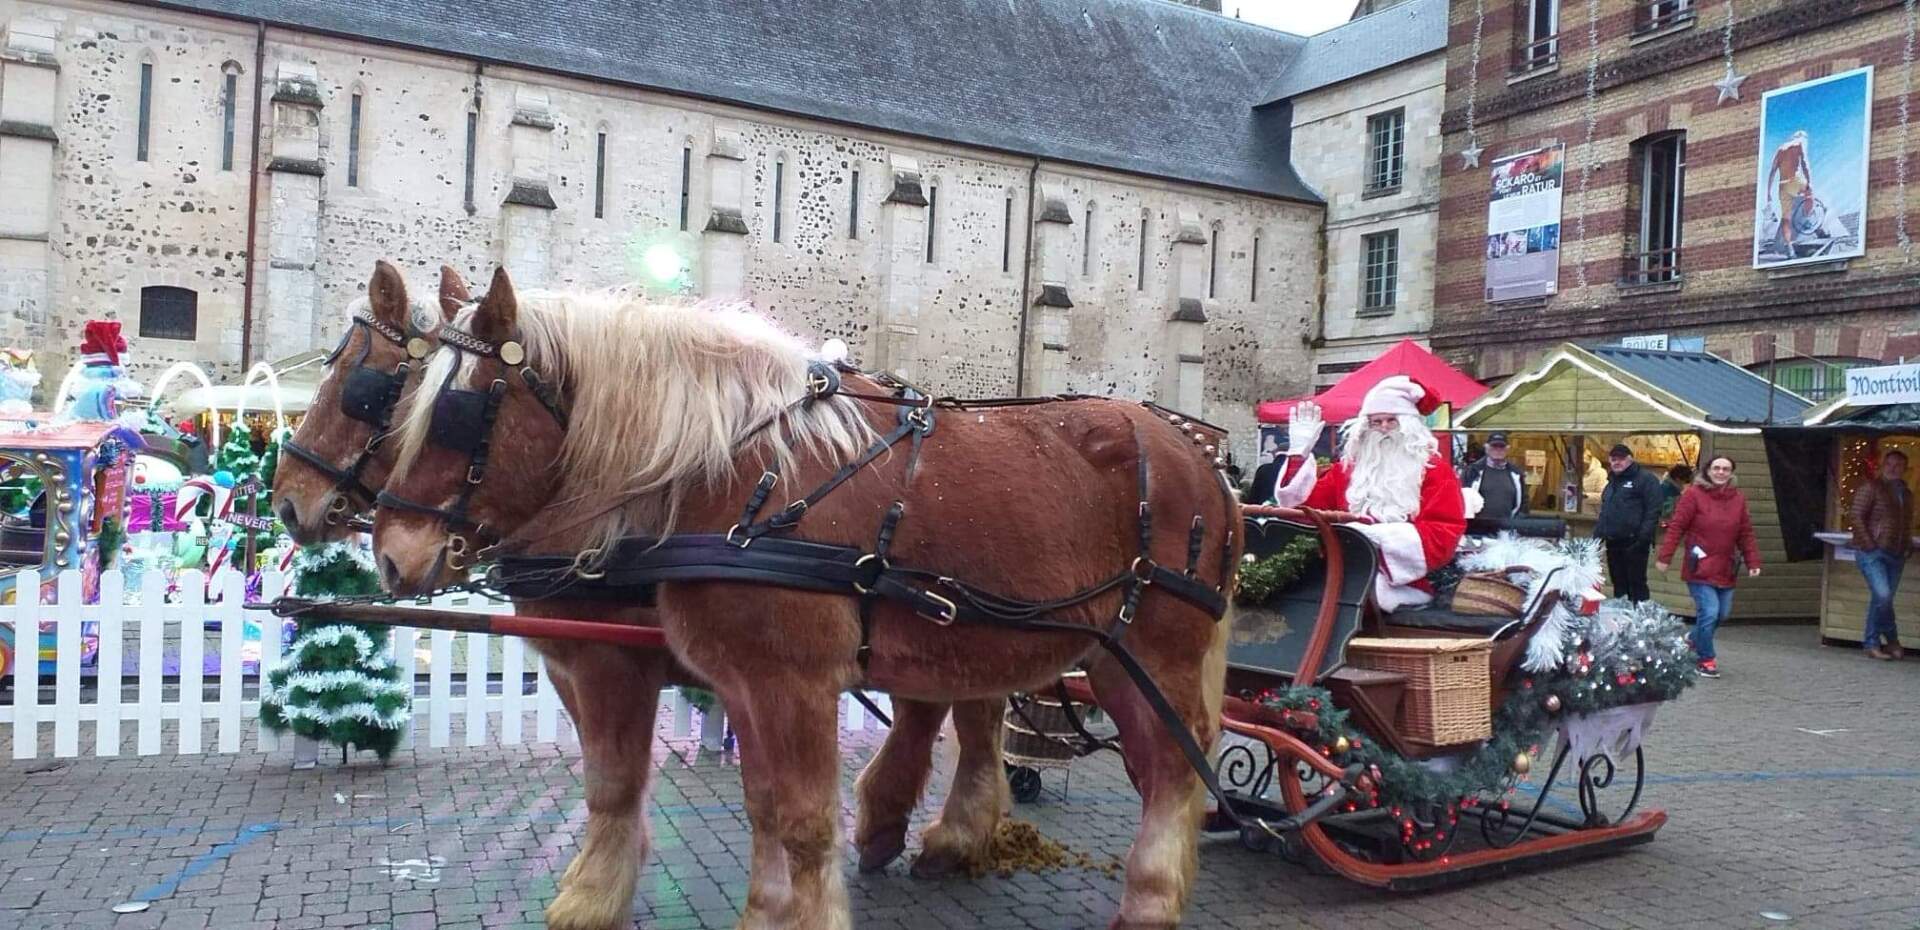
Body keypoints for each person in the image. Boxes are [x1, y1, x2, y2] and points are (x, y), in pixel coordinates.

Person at [1269, 376, 1473, 611]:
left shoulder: (1435, 472)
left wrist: (1375, 537)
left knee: (1359, 595)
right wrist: (1298, 455)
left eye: (1391, 421)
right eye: (1377, 422)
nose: (1384, 428)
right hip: (1341, 573)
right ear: (1365, 427)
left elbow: (1443, 533)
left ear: (1408, 425)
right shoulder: (1345, 471)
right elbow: (1303, 512)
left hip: (1403, 583)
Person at [1655, 456, 1762, 679]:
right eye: (1716, 468)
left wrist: (1753, 561)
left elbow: (1746, 533)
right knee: (1709, 612)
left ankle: (1691, 640)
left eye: (1725, 469)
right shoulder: (1693, 495)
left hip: (1726, 566)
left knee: (1722, 614)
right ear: (1708, 471)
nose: (1721, 472)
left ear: (1731, 473)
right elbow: (1677, 527)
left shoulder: (1738, 499)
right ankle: (1705, 659)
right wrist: (1665, 556)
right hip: (1699, 565)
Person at [1850, 449, 1912, 660]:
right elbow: (1856, 515)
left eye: (1898, 465)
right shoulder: (1871, 487)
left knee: (1882, 599)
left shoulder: (1906, 493)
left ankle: (1877, 643)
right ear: (1882, 465)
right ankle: (1886, 640)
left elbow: (1906, 522)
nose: (1893, 468)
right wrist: (1869, 545)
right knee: (1883, 596)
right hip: (1873, 552)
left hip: (1896, 553)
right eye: (1890, 464)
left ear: (1905, 469)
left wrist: (1906, 545)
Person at [1594, 443, 1661, 603]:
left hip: (1634, 542)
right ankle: (1621, 620)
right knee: (1619, 585)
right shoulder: (1611, 482)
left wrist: (1643, 538)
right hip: (1613, 542)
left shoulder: (1645, 479)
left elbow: (1654, 510)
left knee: (1637, 584)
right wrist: (1596, 538)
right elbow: (1605, 512)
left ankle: (1640, 620)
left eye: (1621, 459)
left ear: (1630, 459)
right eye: (1613, 459)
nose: (1617, 462)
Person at [1460, 432, 1528, 521]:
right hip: (1476, 531)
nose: (1498, 449)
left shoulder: (1516, 474)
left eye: (1501, 446)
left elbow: (1524, 503)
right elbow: (1460, 499)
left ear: (1507, 449)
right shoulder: (1472, 472)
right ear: (1486, 447)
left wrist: (1516, 523)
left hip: (1506, 531)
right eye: (1494, 446)